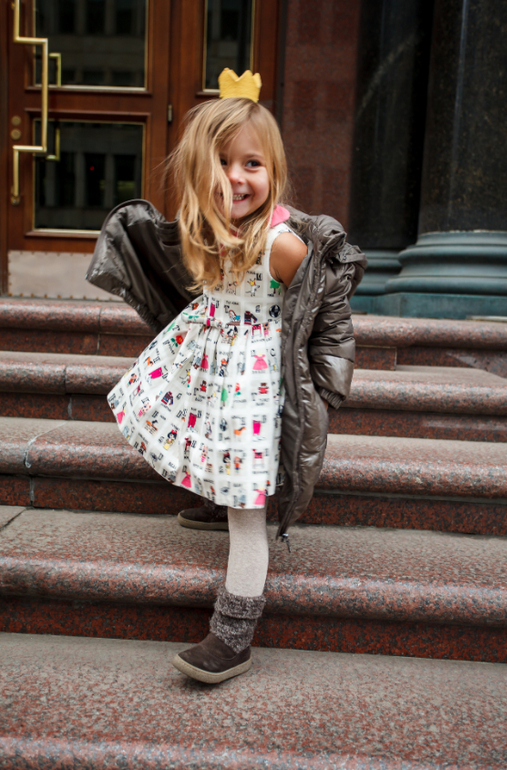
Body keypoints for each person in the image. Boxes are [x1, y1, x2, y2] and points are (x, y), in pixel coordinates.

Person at [87, 69, 366, 684]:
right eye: (220, 162)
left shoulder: (280, 245)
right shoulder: (210, 230)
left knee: (249, 515)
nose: (236, 178)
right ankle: (221, 497)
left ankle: (233, 636)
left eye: (252, 164)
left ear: (273, 172)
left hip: (254, 380)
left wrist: (323, 385)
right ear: (196, 171)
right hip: (211, 362)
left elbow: (327, 314)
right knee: (200, 434)